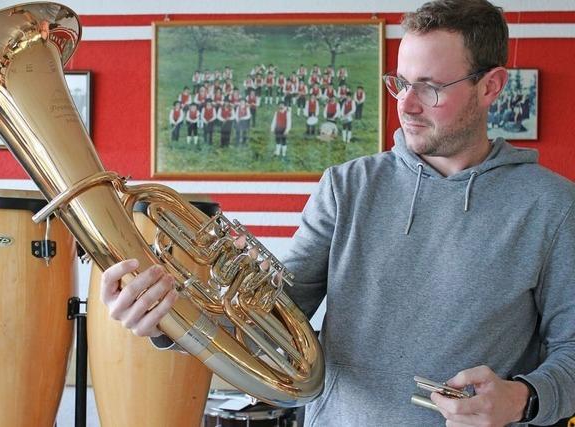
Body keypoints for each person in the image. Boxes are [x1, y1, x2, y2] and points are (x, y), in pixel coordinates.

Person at [100, 1, 575, 426]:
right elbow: (268, 317)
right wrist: (171, 320)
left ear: (491, 86)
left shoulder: (552, 205)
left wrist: (522, 398)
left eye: (429, 88)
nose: (404, 105)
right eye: (401, 83)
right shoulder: (347, 186)